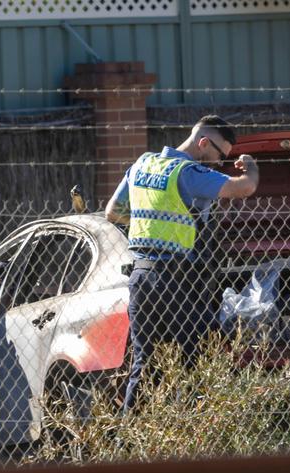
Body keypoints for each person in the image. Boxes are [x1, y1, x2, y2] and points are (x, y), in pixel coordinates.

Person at [104, 115, 260, 413]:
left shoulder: (142, 164)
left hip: (141, 277)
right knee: (195, 358)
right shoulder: (188, 172)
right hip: (175, 280)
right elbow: (245, 188)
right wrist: (251, 166)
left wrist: (148, 226)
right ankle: (196, 433)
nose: (216, 164)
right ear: (203, 142)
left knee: (144, 362)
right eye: (217, 156)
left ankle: (129, 442)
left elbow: (113, 212)